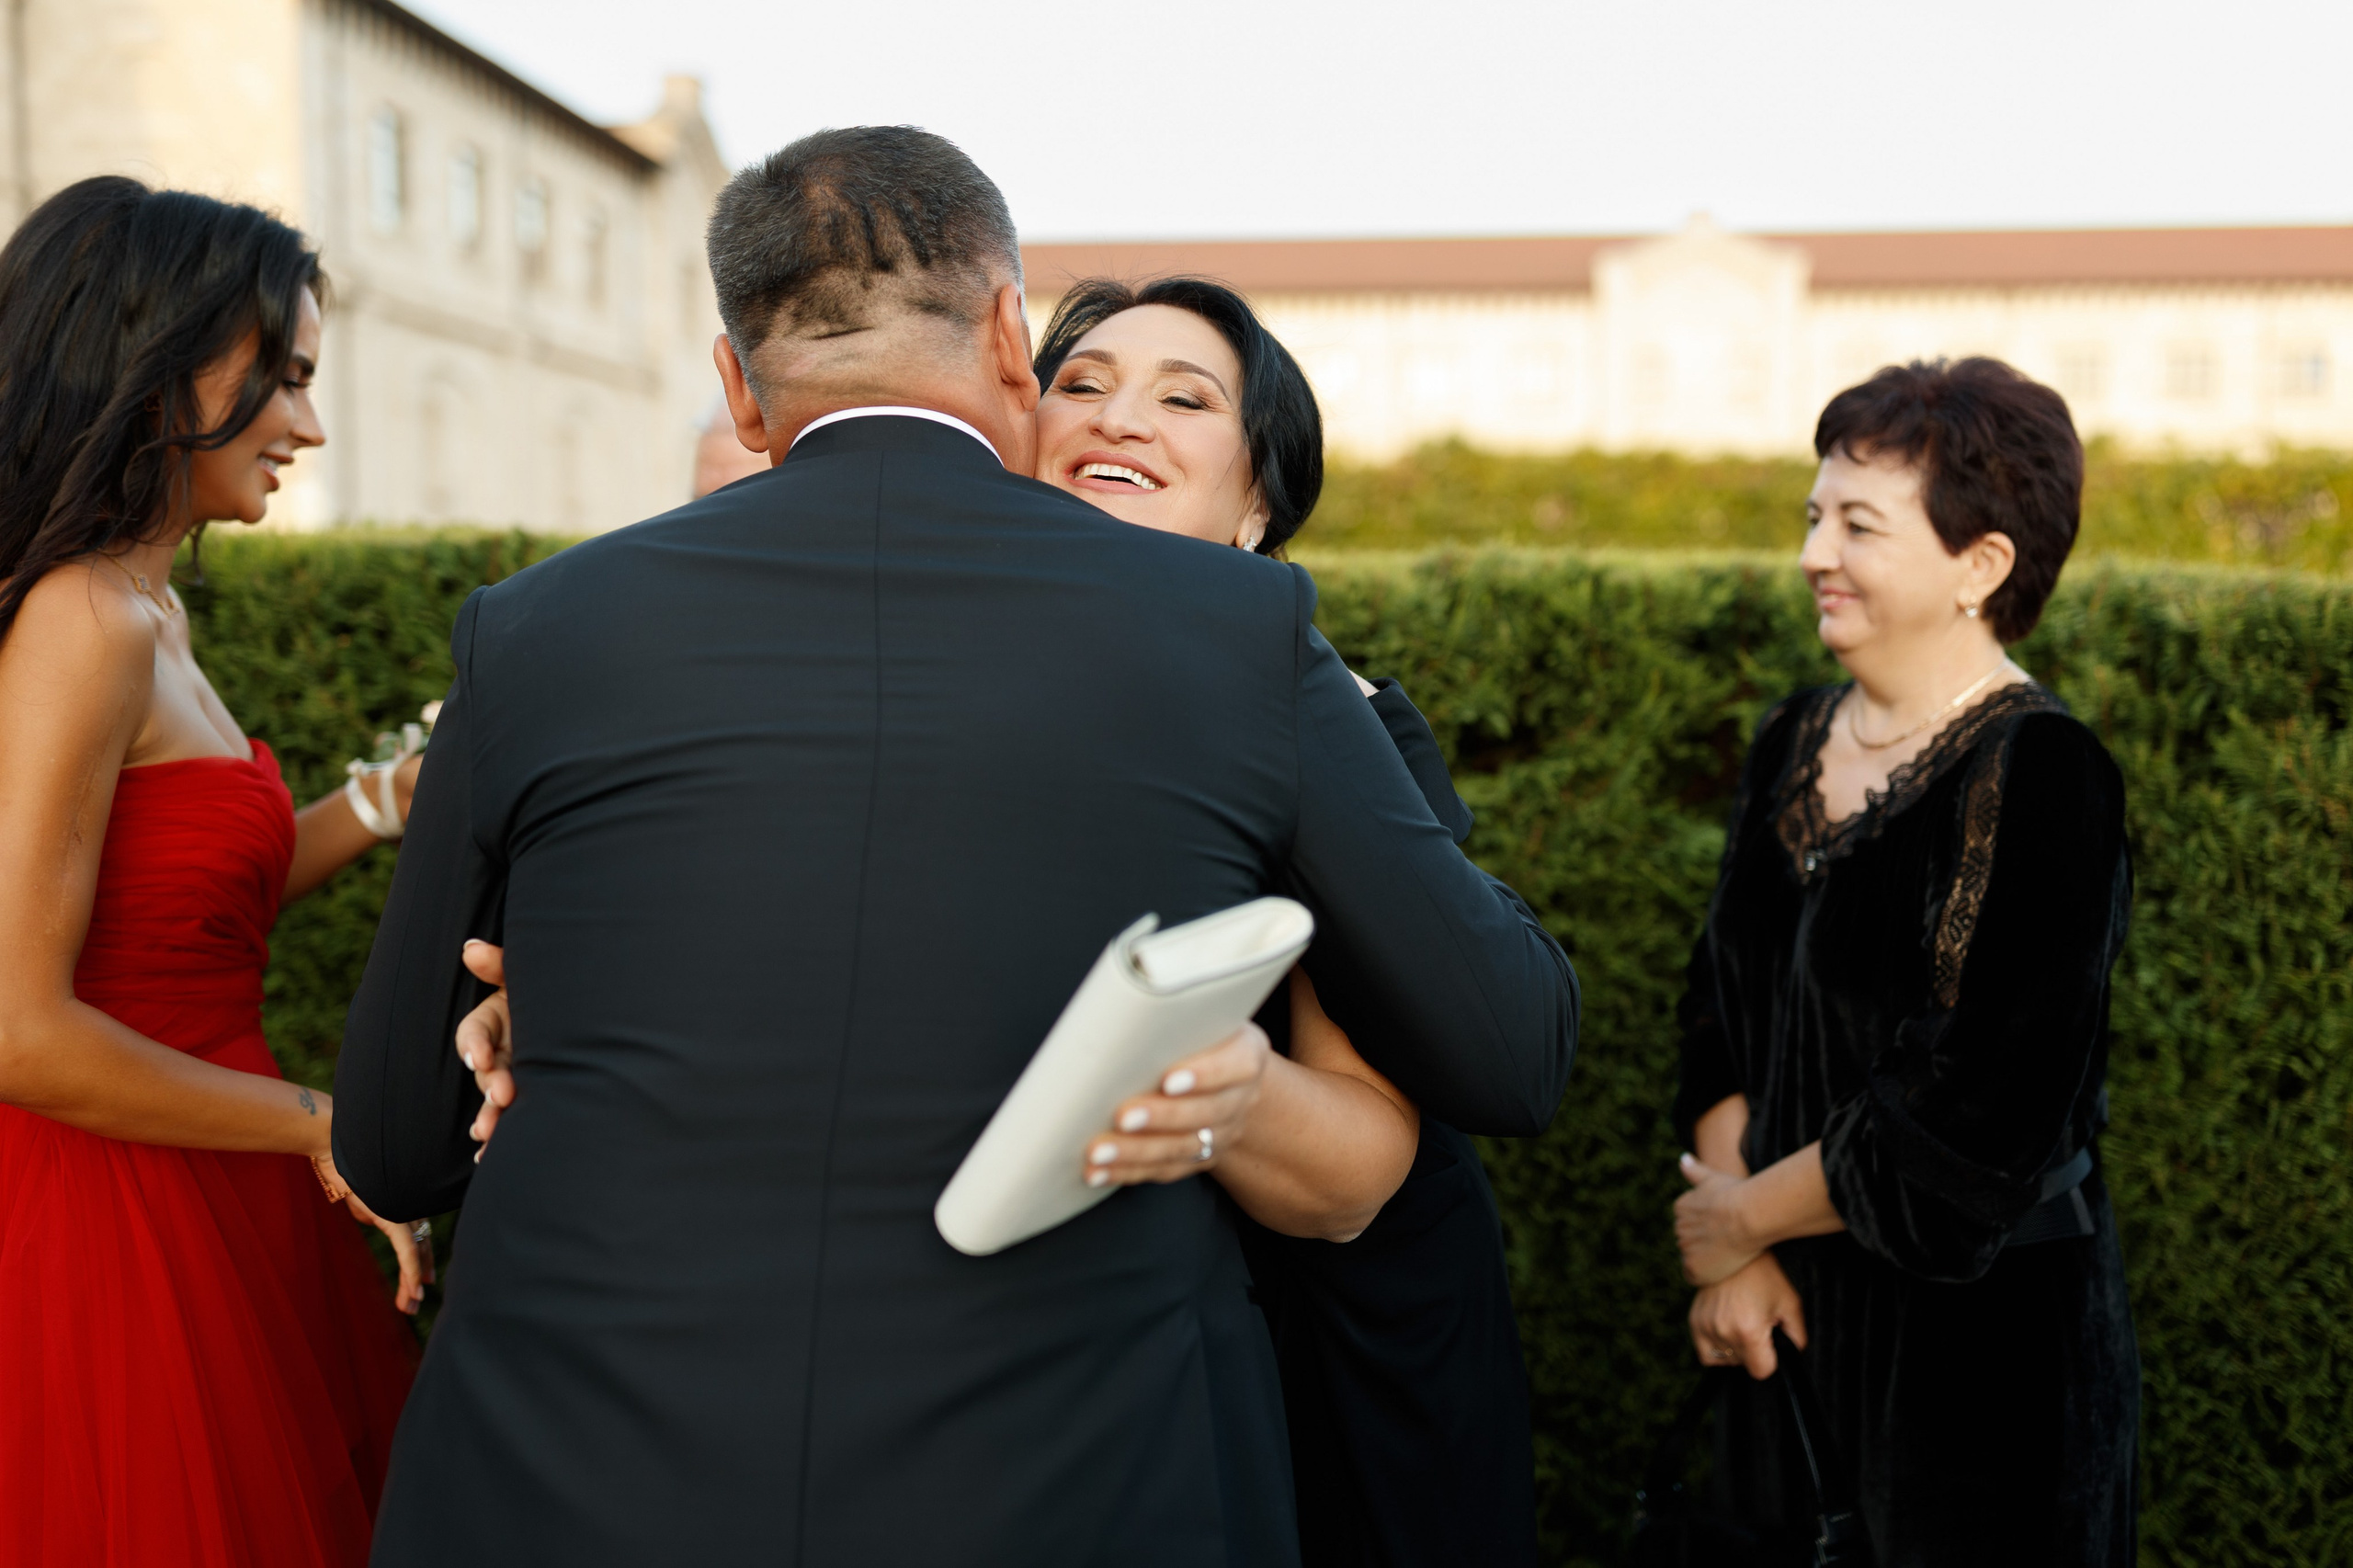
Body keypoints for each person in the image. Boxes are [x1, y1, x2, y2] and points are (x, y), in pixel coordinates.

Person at [333, 127, 1576, 1567]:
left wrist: (552, 993)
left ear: (738, 382)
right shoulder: (1235, 637)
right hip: (1072, 1481)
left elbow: (397, 1136)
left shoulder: (534, 626)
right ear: (1008, 336)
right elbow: (1508, 1044)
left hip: (571, 1480)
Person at [0, 178, 428, 1566]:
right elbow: (20, 1028)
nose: (308, 424)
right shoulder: (84, 618)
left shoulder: (147, 596)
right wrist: (318, 1121)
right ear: (154, 359)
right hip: (106, 1211)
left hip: (208, 1172)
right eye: (283, 380)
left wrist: (378, 801)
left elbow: (181, 917)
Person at [1669, 358, 2138, 1562]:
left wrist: (1733, 1221)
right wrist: (1746, 1257)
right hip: (1778, 1325)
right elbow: (1716, 1014)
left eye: (1859, 523)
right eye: (1814, 515)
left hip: (1976, 1363)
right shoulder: (1791, 737)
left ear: (1980, 565)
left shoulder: (2044, 775)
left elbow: (1971, 1115)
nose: (1816, 551)